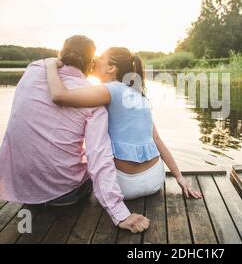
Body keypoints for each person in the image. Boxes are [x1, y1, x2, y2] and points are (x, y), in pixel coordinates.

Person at [0, 36, 149, 233]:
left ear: (61, 54)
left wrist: (50, 65)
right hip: (64, 196)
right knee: (95, 163)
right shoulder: (94, 103)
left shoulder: (34, 69)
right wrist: (120, 213)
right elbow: (98, 157)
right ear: (90, 62)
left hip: (20, 188)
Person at [45, 47, 202, 200]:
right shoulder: (139, 96)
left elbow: (59, 96)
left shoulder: (109, 89)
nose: (95, 59)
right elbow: (157, 139)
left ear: (111, 68)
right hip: (155, 179)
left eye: (100, 58)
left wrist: (50, 66)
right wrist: (179, 177)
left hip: (123, 185)